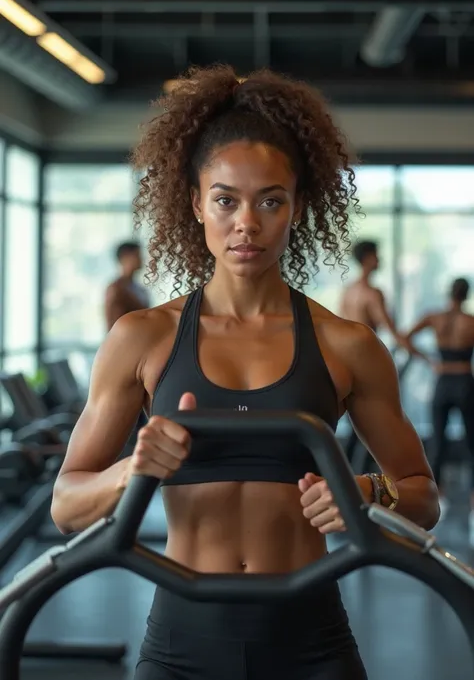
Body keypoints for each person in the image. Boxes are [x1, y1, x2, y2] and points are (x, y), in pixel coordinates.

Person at [51, 65, 439, 680]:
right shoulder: (142, 339)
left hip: (311, 640)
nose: (246, 224)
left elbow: (423, 495)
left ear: (298, 207)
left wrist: (367, 493)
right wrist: (135, 468)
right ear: (195, 203)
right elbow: (67, 507)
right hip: (181, 643)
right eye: (226, 200)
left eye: (270, 201)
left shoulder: (348, 344)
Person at [339, 240, 423, 470]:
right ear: (367, 258)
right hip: (365, 364)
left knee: (358, 428)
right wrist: (423, 356)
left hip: (345, 362)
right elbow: (391, 330)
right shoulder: (373, 293)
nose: (380, 259)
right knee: (371, 429)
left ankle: (342, 483)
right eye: (377, 255)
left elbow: (339, 326)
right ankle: (357, 488)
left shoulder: (348, 291)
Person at [404, 277, 474, 538]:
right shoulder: (470, 322)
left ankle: (436, 494)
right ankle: (472, 498)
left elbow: (406, 337)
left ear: (449, 293)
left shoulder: (435, 318)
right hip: (465, 381)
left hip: (442, 381)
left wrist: (428, 359)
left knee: (438, 438)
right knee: (472, 440)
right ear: (466, 296)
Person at [105, 241, 150, 331]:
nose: (141, 259)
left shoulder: (139, 288)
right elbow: (113, 325)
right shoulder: (115, 289)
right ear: (124, 258)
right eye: (137, 255)